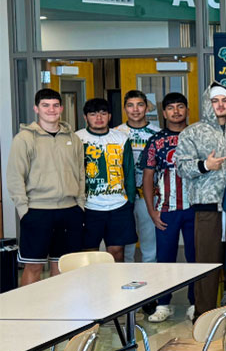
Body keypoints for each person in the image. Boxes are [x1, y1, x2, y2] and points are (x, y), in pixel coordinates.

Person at [175, 83, 226, 318]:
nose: (220, 105)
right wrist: (205, 166)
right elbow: (181, 167)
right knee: (207, 264)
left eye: (224, 100)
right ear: (207, 104)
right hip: (207, 208)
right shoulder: (192, 132)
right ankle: (205, 314)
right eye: (215, 101)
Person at [7, 88, 85, 286]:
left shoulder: (73, 138)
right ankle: (28, 315)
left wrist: (80, 205)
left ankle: (57, 313)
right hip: (37, 211)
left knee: (62, 266)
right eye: (46, 105)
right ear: (36, 109)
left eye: (55, 105)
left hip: (69, 211)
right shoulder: (24, 139)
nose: (51, 109)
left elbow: (80, 174)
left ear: (61, 108)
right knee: (33, 267)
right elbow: (16, 177)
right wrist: (24, 210)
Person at [141, 93, 196, 323]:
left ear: (187, 110)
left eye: (180, 107)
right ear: (164, 113)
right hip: (166, 209)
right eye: (171, 108)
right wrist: (152, 211)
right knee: (164, 259)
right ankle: (163, 304)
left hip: (195, 208)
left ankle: (196, 303)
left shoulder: (198, 137)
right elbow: (147, 177)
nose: (176, 111)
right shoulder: (156, 141)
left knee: (197, 258)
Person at [77, 98, 137, 263]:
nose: (98, 118)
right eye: (93, 114)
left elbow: (129, 170)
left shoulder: (121, 138)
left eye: (103, 113)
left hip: (118, 205)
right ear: (85, 117)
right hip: (89, 206)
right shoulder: (77, 138)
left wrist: (129, 200)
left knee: (117, 252)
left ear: (109, 116)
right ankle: (92, 288)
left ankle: (116, 287)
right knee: (89, 254)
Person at [115, 90, 160, 264]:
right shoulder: (116, 133)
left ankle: (152, 286)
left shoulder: (157, 133)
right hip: (122, 196)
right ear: (125, 108)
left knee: (150, 243)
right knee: (125, 245)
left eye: (140, 105)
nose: (135, 110)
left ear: (147, 107)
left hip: (148, 196)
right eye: (130, 105)